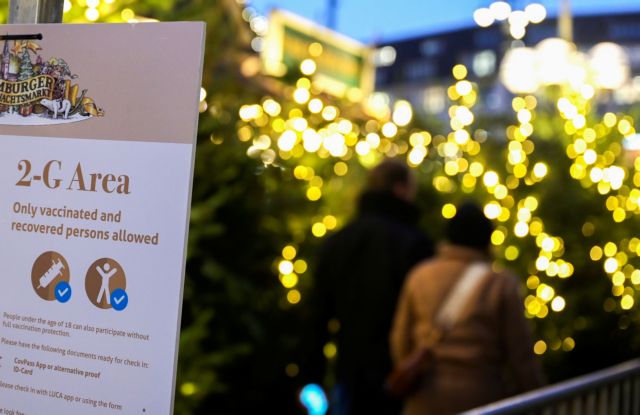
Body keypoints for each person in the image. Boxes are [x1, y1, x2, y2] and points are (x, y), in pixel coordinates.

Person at [390, 202, 544, 415]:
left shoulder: (420, 275)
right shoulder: (500, 283)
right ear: (487, 239)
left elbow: (400, 339)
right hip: (482, 400)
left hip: (424, 399)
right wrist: (536, 399)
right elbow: (521, 356)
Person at [309, 159, 434, 415]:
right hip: (399, 377)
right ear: (400, 189)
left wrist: (311, 377)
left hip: (350, 373)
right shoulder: (415, 243)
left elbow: (316, 317)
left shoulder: (340, 241)